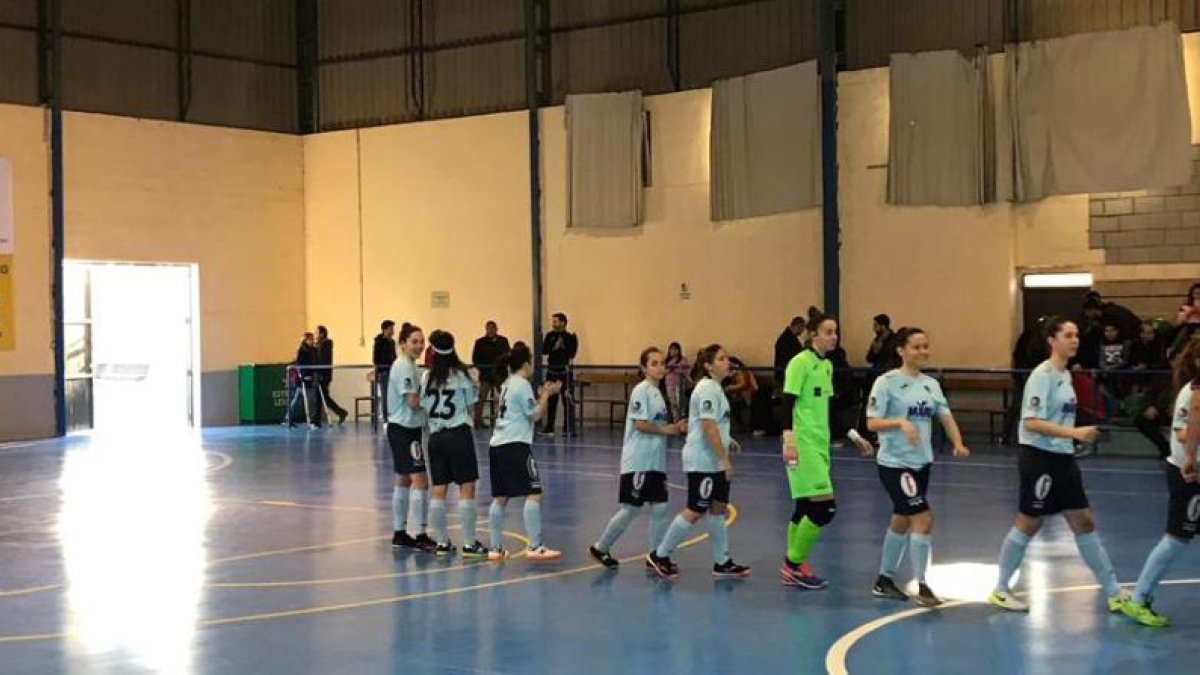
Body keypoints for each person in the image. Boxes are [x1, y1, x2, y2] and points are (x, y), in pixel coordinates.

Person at [989, 317, 1130, 614]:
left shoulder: (1066, 375)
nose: (1075, 340)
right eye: (1068, 335)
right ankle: (1001, 589)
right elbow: (1032, 422)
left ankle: (1114, 592)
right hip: (1039, 457)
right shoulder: (1042, 375)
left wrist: (1072, 437)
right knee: (1029, 523)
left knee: (1084, 521)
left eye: (1076, 334)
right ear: (1052, 341)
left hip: (1063, 459)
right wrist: (1075, 433)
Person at [866, 327, 970, 607]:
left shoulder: (931, 384)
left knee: (902, 519)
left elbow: (945, 417)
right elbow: (871, 422)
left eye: (926, 346)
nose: (923, 351)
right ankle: (923, 585)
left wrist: (957, 442)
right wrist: (899, 422)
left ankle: (884, 579)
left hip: (921, 462)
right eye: (917, 347)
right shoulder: (886, 382)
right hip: (895, 463)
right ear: (901, 350)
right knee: (923, 518)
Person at [780, 312, 874, 590]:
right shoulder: (800, 363)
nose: (834, 336)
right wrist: (790, 439)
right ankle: (793, 563)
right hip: (803, 443)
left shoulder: (827, 366)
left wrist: (852, 433)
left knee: (805, 506)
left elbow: (830, 409)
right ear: (813, 334)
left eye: (835, 332)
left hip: (821, 444)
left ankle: (795, 565)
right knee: (825, 508)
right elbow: (787, 401)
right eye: (828, 331)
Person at [646, 344, 751, 580]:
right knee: (695, 509)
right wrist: (724, 460)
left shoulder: (717, 388)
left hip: (713, 457)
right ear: (708, 365)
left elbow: (716, 423)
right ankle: (660, 555)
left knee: (718, 508)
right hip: (703, 459)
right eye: (722, 359)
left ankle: (722, 562)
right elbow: (707, 425)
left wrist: (727, 439)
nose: (728, 363)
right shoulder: (706, 388)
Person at [1121, 336, 1200, 627]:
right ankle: (1140, 597)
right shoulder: (1191, 392)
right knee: (1177, 538)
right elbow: (1181, 432)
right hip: (1187, 475)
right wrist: (1192, 455)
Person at [587, 347, 686, 568]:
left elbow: (660, 425)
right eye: (654, 363)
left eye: (662, 363)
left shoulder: (658, 393)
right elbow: (640, 424)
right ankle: (600, 547)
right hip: (638, 460)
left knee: (660, 507)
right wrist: (666, 430)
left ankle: (655, 556)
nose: (660, 367)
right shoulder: (641, 391)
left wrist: (676, 427)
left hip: (656, 460)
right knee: (631, 509)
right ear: (643, 368)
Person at [488, 344, 563, 561]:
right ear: (525, 364)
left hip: (497, 444)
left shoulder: (507, 384)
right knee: (534, 493)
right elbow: (536, 415)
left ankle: (495, 548)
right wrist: (547, 394)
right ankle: (535, 545)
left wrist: (540, 394)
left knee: (500, 497)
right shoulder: (521, 384)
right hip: (515, 444)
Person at [421, 330, 486, 558]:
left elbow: (422, 405)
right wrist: (475, 383)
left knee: (439, 489)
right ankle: (469, 544)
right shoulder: (462, 375)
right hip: (458, 434)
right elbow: (471, 405)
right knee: (466, 487)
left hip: (435, 436)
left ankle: (442, 542)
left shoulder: (426, 377)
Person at [386, 323, 436, 552]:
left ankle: (399, 532)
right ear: (403, 344)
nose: (419, 345)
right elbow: (413, 402)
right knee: (420, 480)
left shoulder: (411, 367)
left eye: (421, 341)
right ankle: (421, 533)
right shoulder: (405, 367)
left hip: (403, 428)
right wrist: (432, 400)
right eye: (414, 341)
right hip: (405, 429)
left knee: (403, 478)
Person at [1129, 320, 1172, 459]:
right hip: (1159, 403)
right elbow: (1156, 390)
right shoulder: (1136, 346)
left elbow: (1169, 391)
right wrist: (1151, 406)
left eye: (1149, 332)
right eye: (1144, 332)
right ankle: (1165, 447)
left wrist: (1157, 407)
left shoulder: (1161, 353)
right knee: (1141, 420)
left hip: (1176, 410)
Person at [541, 312, 578, 436]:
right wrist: (554, 346)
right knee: (551, 401)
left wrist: (564, 346)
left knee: (567, 400)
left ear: (563, 322)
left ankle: (568, 428)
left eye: (555, 321)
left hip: (565, 372)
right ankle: (549, 427)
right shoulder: (549, 335)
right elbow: (544, 350)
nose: (553, 324)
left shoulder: (570, 337)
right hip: (552, 371)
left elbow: (572, 353)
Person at [471, 321, 510, 427]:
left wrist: (500, 365)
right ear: (486, 329)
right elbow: (475, 358)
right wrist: (482, 368)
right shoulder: (480, 342)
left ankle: (507, 419)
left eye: (492, 328)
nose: (491, 330)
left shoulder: (503, 341)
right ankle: (477, 421)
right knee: (481, 398)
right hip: (486, 374)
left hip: (500, 373)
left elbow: (507, 356)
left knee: (505, 398)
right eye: (488, 328)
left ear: (496, 328)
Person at [284, 332, 322, 429]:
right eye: (310, 339)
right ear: (305, 340)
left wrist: (316, 374)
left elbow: (315, 362)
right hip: (302, 378)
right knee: (309, 400)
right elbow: (297, 363)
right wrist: (302, 375)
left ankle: (288, 418)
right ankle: (310, 421)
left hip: (311, 378)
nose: (312, 341)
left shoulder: (314, 350)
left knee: (301, 400)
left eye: (313, 339)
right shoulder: (301, 350)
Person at [315, 325, 348, 424]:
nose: (315, 335)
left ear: (322, 333)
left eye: (317, 333)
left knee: (320, 396)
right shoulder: (319, 344)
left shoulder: (326, 343)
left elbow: (322, 358)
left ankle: (317, 418)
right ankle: (340, 412)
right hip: (322, 374)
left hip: (324, 374)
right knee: (323, 396)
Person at [373, 320, 398, 426]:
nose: (393, 330)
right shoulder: (379, 341)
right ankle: (385, 418)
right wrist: (383, 366)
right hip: (384, 371)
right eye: (391, 328)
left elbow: (394, 356)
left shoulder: (392, 342)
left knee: (392, 395)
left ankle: (392, 416)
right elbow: (376, 358)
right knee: (385, 395)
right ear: (385, 329)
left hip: (392, 371)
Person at [774, 316, 806, 383]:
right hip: (787, 376)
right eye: (803, 328)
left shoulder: (787, 337)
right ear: (799, 326)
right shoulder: (787, 339)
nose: (803, 331)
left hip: (786, 375)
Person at [663, 342, 690, 422]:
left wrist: (673, 368)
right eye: (671, 349)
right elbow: (665, 371)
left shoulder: (683, 360)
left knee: (680, 403)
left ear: (678, 350)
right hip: (669, 384)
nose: (673, 351)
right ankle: (676, 421)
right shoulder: (666, 360)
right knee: (673, 403)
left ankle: (682, 420)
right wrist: (673, 367)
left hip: (679, 384)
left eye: (675, 349)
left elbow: (684, 371)